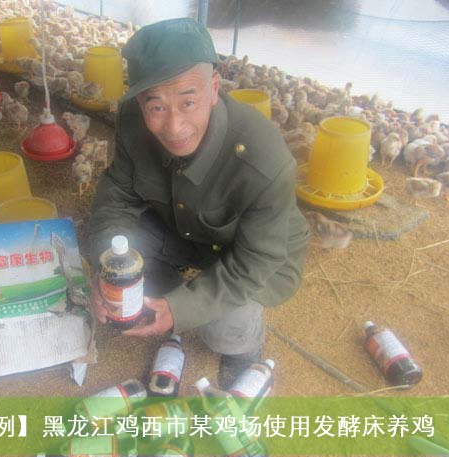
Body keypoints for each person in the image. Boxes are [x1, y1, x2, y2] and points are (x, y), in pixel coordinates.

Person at [88, 18, 309, 387]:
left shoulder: (265, 159)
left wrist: (181, 309)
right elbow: (116, 201)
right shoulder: (131, 121)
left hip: (255, 255)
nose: (174, 126)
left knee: (222, 327)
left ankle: (244, 347)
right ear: (140, 102)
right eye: (156, 107)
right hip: (181, 230)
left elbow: (258, 259)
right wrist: (107, 266)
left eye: (188, 102)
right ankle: (168, 284)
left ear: (214, 89)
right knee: (130, 277)